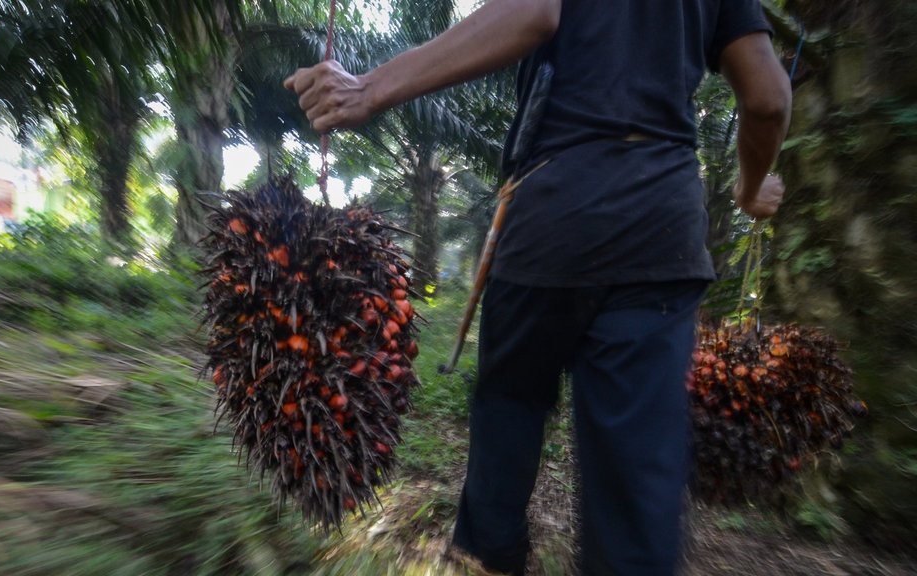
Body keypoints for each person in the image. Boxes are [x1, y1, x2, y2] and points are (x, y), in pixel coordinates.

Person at [284, 0, 791, 574]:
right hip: (659, 231)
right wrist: (750, 191)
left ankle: (488, 559)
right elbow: (768, 98)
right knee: (635, 482)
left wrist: (369, 89)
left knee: (509, 410)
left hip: (551, 217)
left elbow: (533, 11)